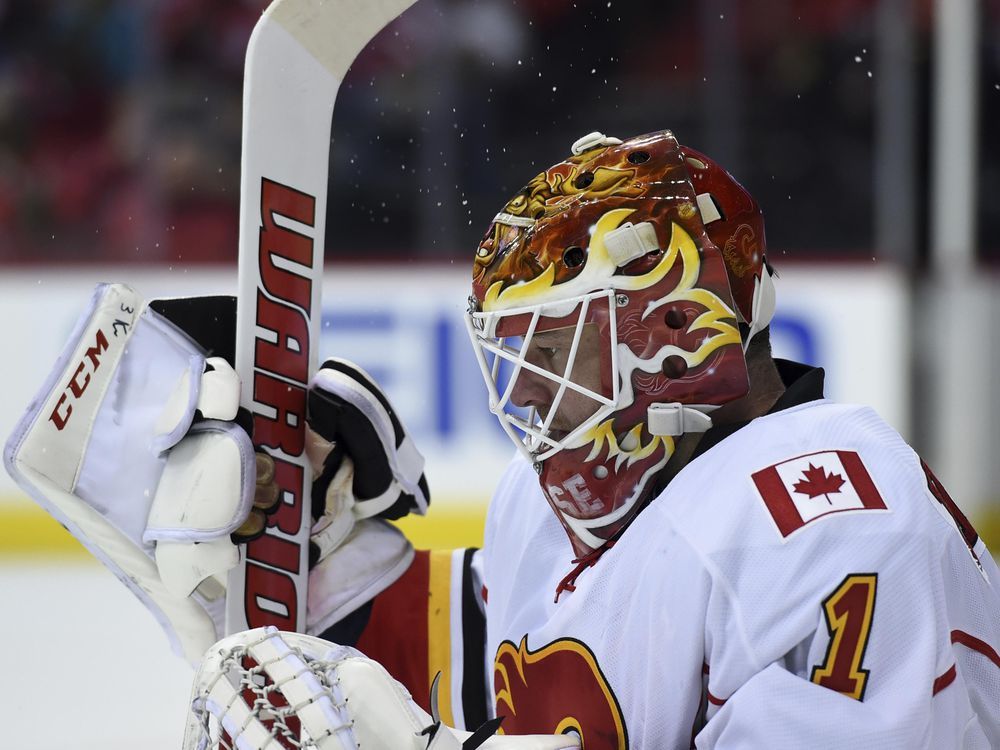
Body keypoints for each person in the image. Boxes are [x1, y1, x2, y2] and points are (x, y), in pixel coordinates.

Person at [7, 130, 1000, 749]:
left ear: (672, 331)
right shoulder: (563, 512)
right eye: (516, 356)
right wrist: (321, 574)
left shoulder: (834, 527)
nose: (529, 392)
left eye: (556, 350)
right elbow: (521, 678)